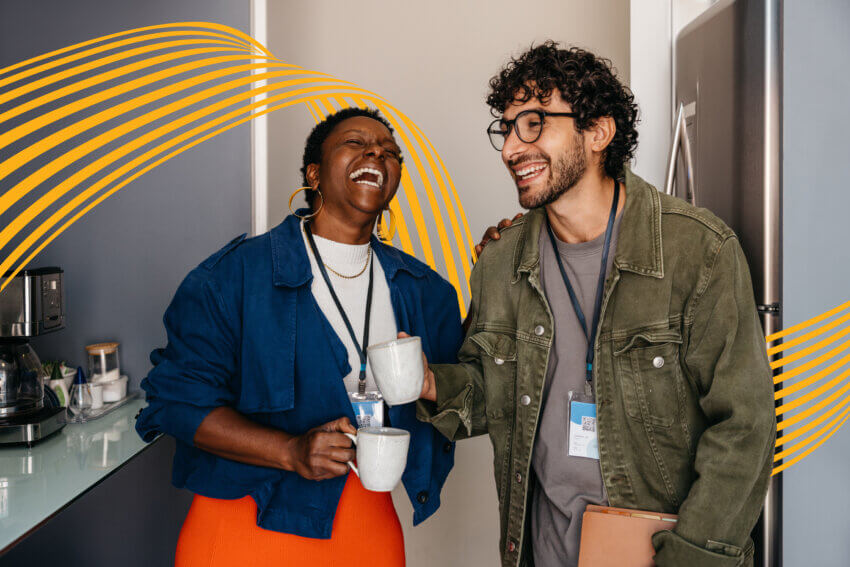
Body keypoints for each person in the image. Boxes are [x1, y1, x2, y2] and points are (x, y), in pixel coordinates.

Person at [416, 42, 776, 567]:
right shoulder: (499, 262)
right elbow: (496, 392)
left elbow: (744, 427)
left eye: (534, 123)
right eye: (507, 128)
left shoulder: (698, 252)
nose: (511, 148)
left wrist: (690, 557)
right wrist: (432, 384)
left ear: (598, 133)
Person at [136, 107, 465, 566]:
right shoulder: (233, 277)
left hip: (367, 531)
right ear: (314, 173)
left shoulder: (426, 291)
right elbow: (176, 404)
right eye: (355, 143)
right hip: (243, 532)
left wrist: (498, 270)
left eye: (390, 152)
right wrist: (289, 451)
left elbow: (468, 393)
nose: (376, 153)